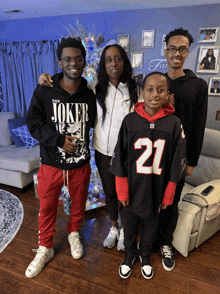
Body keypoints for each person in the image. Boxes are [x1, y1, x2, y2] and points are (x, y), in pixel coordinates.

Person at [38, 44, 141, 251]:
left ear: (124, 62)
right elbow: (69, 85)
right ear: (103, 64)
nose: (113, 63)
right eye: (109, 59)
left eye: (118, 58)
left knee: (126, 194)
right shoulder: (94, 88)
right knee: (110, 194)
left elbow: (150, 113)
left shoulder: (135, 90)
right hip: (102, 151)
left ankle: (125, 230)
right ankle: (113, 227)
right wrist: (46, 78)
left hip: (127, 155)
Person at [25, 37, 96, 278]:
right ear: (59, 62)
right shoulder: (44, 90)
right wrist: (57, 140)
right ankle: (45, 247)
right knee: (46, 209)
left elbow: (94, 123)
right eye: (67, 59)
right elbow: (33, 123)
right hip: (51, 165)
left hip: (80, 165)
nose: (73, 63)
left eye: (77, 59)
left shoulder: (89, 94)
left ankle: (74, 233)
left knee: (78, 206)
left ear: (84, 62)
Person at [109, 72, 186, 279]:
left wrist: (168, 195)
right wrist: (122, 191)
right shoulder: (130, 121)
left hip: (156, 189)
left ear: (167, 93)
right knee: (130, 226)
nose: (154, 94)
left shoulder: (173, 124)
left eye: (160, 90)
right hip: (132, 189)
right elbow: (120, 160)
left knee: (151, 228)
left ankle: (145, 256)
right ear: (142, 93)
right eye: (149, 89)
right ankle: (129, 256)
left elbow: (174, 165)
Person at [158, 27, 208, 271]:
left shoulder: (198, 85)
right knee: (151, 197)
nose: (176, 53)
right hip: (155, 154)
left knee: (171, 201)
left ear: (188, 52)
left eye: (182, 49)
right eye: (172, 48)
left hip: (179, 156)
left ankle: (165, 242)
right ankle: (148, 239)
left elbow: (198, 125)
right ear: (165, 50)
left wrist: (192, 161)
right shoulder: (156, 82)